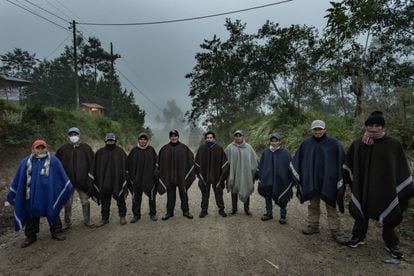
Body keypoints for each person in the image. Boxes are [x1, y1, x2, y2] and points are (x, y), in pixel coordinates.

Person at [343, 111, 414, 259]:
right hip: (364, 187)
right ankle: (358, 236)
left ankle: (391, 243)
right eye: (370, 125)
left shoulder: (393, 144)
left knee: (390, 209)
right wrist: (348, 180)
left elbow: (400, 168)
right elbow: (350, 164)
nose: (373, 128)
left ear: (382, 126)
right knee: (362, 208)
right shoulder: (358, 144)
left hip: (386, 188)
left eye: (377, 125)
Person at [7, 140, 73, 248]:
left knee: (52, 210)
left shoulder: (53, 161)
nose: (41, 150)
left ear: (47, 148)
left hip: (49, 195)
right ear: (33, 149)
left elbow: (61, 177)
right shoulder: (25, 162)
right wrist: (13, 193)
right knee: (30, 213)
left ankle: (56, 231)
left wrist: (67, 188)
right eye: (38, 148)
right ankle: (30, 236)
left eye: (43, 148)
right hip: (31, 196)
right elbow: (19, 180)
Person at [291, 120, 346, 244]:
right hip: (312, 181)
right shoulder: (306, 144)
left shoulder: (334, 144)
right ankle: (313, 225)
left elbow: (342, 161)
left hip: (329, 181)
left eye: (320, 129)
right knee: (313, 204)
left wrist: (339, 177)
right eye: (315, 129)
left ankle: (335, 230)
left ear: (325, 129)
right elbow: (298, 161)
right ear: (312, 130)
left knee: (331, 206)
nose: (318, 131)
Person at [56, 127, 95, 229]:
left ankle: (87, 220)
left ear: (79, 135)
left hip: (82, 180)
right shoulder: (63, 149)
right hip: (68, 181)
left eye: (75, 134)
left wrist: (90, 178)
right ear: (68, 136)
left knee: (85, 201)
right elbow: (56, 164)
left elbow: (92, 162)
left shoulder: (86, 148)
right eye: (71, 135)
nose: (73, 136)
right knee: (67, 203)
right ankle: (67, 223)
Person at [89, 133, 128, 227]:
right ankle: (104, 218)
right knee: (105, 201)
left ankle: (122, 216)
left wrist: (125, 177)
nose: (110, 142)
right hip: (104, 181)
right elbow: (95, 167)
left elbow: (125, 166)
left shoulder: (120, 152)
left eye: (112, 141)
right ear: (105, 141)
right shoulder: (100, 153)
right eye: (108, 141)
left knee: (120, 199)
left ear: (115, 141)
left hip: (117, 181)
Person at [158, 130, 195, 220]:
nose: (174, 137)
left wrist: (189, 171)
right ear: (169, 137)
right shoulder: (164, 149)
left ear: (178, 137)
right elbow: (159, 162)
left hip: (181, 176)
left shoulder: (184, 148)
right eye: (172, 136)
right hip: (169, 177)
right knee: (170, 195)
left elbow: (191, 159)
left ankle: (186, 211)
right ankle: (169, 212)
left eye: (175, 136)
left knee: (184, 194)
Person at [258, 133, 293, 224]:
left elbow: (290, 166)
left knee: (282, 196)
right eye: (272, 141)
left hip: (281, 180)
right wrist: (262, 177)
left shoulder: (285, 153)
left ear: (280, 141)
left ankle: (283, 216)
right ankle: (269, 214)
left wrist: (289, 178)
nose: (274, 143)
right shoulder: (266, 152)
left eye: (276, 141)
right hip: (268, 179)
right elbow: (261, 166)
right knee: (267, 196)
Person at [194, 131, 229, 218]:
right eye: (208, 138)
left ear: (214, 138)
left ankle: (221, 209)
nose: (209, 139)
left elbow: (224, 163)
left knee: (218, 192)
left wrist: (222, 175)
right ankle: (204, 210)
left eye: (211, 138)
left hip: (216, 174)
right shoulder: (201, 148)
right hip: (205, 175)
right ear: (205, 139)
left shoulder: (219, 148)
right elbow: (197, 162)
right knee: (205, 193)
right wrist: (199, 173)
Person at [225, 130, 258, 216]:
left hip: (245, 174)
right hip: (234, 173)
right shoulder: (229, 147)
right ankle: (234, 209)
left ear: (243, 137)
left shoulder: (248, 147)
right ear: (234, 137)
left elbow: (254, 160)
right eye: (236, 136)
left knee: (245, 187)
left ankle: (247, 209)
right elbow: (224, 160)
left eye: (240, 136)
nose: (238, 137)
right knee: (234, 190)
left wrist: (253, 171)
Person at [127, 132, 158, 222]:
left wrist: (156, 170)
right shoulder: (134, 151)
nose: (143, 141)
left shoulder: (151, 150)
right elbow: (128, 164)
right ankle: (136, 215)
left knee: (152, 196)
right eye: (141, 139)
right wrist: (129, 174)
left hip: (149, 179)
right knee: (136, 197)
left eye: (144, 139)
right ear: (138, 140)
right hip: (137, 179)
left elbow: (156, 162)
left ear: (147, 140)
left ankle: (153, 214)